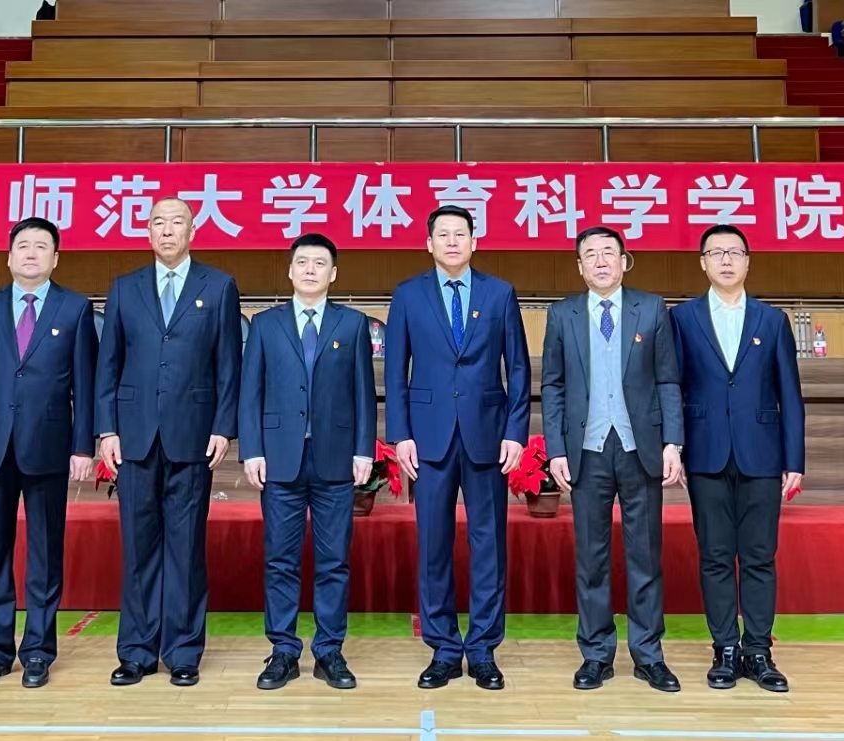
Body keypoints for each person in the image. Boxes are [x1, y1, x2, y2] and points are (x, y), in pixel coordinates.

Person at [95, 197, 243, 687]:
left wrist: (223, 426)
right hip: (134, 436)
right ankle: (136, 651)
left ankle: (182, 650)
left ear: (192, 231)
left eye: (176, 222)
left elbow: (228, 364)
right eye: (158, 222)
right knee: (139, 547)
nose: (166, 230)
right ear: (148, 232)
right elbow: (108, 364)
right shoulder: (125, 287)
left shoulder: (218, 286)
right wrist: (107, 429)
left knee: (185, 547)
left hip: (194, 435)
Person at [385, 205, 530, 691]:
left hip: (487, 435)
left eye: (460, 234)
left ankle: (484, 649)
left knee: (488, 545)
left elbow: (519, 369)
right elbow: (395, 371)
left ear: (474, 241)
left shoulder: (499, 293)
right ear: (428, 244)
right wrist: (401, 435)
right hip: (428, 438)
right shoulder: (407, 294)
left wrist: (515, 432)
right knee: (433, 546)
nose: (452, 242)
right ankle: (444, 649)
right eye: (442, 235)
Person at [0, 216, 97, 689]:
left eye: (41, 247)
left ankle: (38, 650)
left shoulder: (75, 309)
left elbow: (85, 385)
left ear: (56, 259)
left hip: (48, 446)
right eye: (23, 246)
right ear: (9, 256)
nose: (31, 253)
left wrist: (83, 445)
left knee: (45, 552)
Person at [539, 226, 684, 693]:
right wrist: (556, 449)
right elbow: (553, 386)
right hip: (587, 450)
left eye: (608, 253)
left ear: (625, 261)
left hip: (641, 448)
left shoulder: (652, 308)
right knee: (591, 559)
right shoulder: (562, 314)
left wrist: (673, 442)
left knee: (645, 555)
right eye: (591, 255)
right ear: (579, 266)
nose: (600, 261)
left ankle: (648, 654)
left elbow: (668, 380)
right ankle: (596, 654)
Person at [238, 233, 377, 691]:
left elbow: (363, 392)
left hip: (335, 458)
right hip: (280, 459)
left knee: (334, 560)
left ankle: (329, 650)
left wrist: (364, 449)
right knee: (280, 559)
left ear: (333, 273)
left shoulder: (352, 325)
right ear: (290, 271)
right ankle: (283, 650)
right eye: (303, 262)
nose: (311, 269)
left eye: (320, 263)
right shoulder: (265, 325)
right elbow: (250, 392)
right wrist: (252, 449)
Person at [669, 224, 803, 693]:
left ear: (748, 261)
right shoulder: (682, 318)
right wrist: (675, 446)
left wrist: (794, 459)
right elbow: (672, 388)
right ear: (702, 263)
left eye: (735, 252)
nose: (726, 260)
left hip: (761, 454)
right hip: (705, 453)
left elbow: (790, 394)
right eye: (716, 253)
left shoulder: (772, 320)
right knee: (715, 556)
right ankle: (725, 648)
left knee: (761, 556)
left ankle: (759, 649)